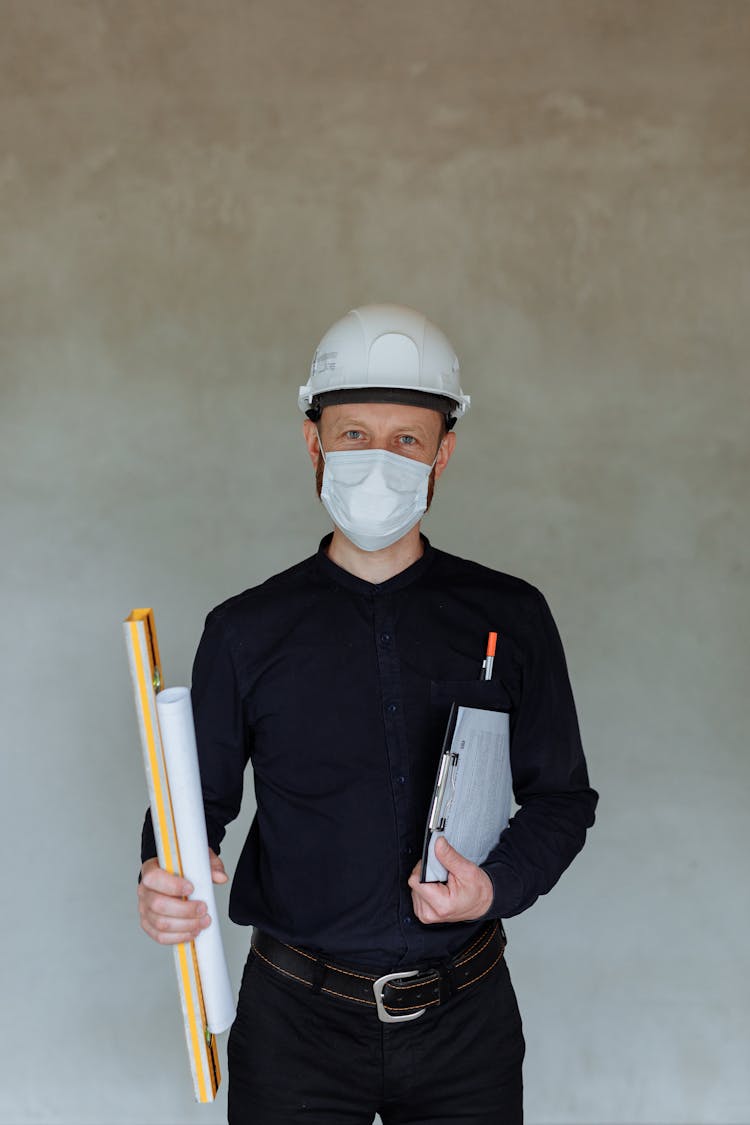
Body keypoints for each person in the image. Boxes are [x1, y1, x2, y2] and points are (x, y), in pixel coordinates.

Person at [138, 303, 598, 1124]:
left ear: (443, 454)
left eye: (406, 439)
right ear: (313, 442)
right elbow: (189, 805)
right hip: (294, 1024)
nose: (377, 459)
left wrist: (495, 884)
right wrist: (161, 871)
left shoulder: (511, 615)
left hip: (467, 1017)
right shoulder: (245, 631)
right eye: (353, 434)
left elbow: (563, 799)